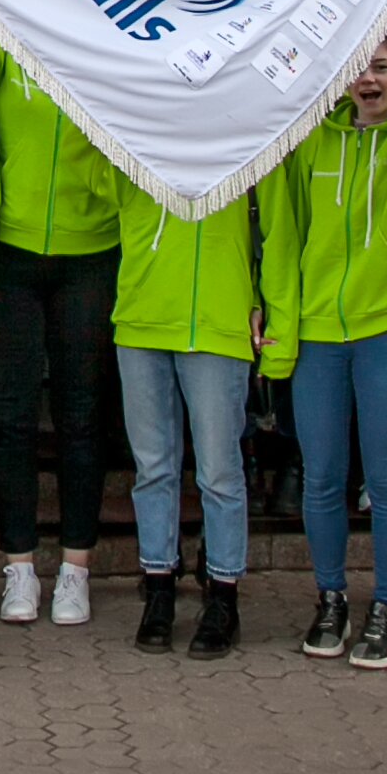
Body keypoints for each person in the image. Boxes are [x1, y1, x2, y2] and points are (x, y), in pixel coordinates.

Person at [260, 44, 387, 671]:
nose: (367, 79)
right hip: (320, 332)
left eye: (382, 66)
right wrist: (280, 330)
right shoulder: (310, 143)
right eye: (358, 66)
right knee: (321, 477)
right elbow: (284, 238)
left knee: (386, 477)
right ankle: (331, 600)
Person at [0, 0, 117, 630]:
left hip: (91, 257)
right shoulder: (6, 56)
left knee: (80, 419)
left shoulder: (110, 60)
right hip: (12, 258)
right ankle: (19, 566)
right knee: (9, 418)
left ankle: (75, 568)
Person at [108, 172, 259, 659]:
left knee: (219, 471)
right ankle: (158, 587)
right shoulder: (141, 123)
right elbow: (98, 179)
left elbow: (275, 225)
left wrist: (262, 300)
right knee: (153, 467)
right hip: (143, 315)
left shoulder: (238, 126)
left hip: (217, 320)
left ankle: (223, 597)